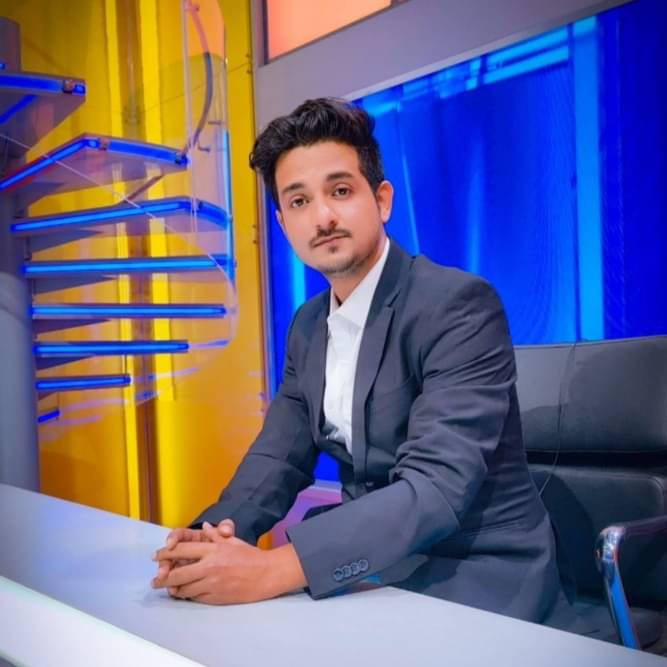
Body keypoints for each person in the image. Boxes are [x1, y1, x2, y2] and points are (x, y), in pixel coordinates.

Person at [152, 98, 564, 622]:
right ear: (283, 224)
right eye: (299, 201)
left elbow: (435, 487)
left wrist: (274, 569)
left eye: (341, 191)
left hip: (475, 573)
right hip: (375, 570)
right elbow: (278, 458)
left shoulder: (457, 305)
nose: (322, 217)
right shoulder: (308, 325)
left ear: (382, 200)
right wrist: (209, 537)